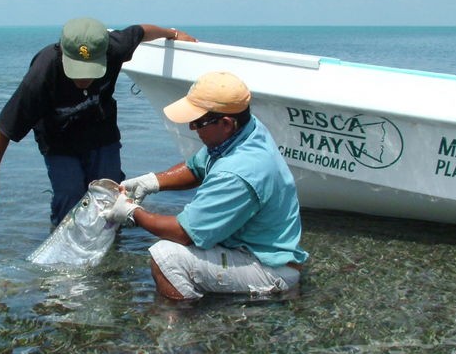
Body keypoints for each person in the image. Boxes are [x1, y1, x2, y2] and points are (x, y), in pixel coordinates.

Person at [106, 71, 309, 301]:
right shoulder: (246, 129)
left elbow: (183, 234)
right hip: (257, 248)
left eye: (198, 122)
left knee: (167, 257)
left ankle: (184, 324)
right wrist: (152, 182)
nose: (192, 127)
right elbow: (196, 167)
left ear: (226, 123)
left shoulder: (238, 172)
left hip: (269, 268)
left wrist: (133, 213)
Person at [0, 17, 196, 226]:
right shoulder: (41, 75)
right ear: (62, 54)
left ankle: (112, 242)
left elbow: (140, 31)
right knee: (70, 196)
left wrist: (174, 34)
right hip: (58, 139)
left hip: (101, 132)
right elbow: (4, 128)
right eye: (76, 71)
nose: (83, 79)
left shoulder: (115, 47)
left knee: (109, 194)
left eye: (90, 71)